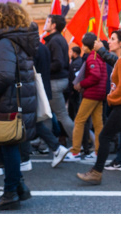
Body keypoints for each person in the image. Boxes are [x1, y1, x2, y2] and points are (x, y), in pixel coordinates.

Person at [0, 2, 40, 211]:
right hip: (19, 100)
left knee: (7, 146)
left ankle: (10, 193)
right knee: (10, 145)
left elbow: (5, 74)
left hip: (7, 101)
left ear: (2, 18)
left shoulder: (6, 41)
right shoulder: (20, 40)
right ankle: (20, 187)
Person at [77, 29, 121, 185]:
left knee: (104, 136)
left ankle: (96, 172)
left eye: (113, 39)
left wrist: (110, 98)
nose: (109, 41)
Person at [66, 32, 107, 162]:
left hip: (92, 94)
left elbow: (95, 76)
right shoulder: (99, 56)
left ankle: (75, 152)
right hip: (99, 93)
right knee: (98, 123)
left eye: (83, 45)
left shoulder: (92, 57)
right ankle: (98, 152)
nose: (82, 47)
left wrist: (81, 84)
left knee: (79, 121)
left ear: (86, 46)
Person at [42, 14, 76, 161]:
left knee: (61, 115)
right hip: (58, 81)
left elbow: (58, 63)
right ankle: (47, 144)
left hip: (55, 82)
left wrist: (43, 68)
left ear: (54, 25)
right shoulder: (58, 39)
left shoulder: (55, 41)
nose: (45, 23)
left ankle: (79, 143)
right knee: (47, 114)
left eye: (48, 21)